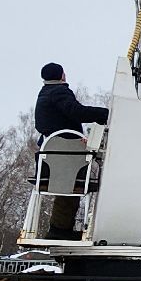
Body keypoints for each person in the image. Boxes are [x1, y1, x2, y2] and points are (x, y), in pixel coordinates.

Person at [35, 63, 109, 239]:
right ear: (62, 75)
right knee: (73, 184)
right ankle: (59, 230)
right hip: (63, 156)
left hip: (50, 156)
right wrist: (105, 114)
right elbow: (76, 112)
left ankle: (59, 229)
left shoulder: (44, 94)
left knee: (68, 186)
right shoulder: (59, 92)